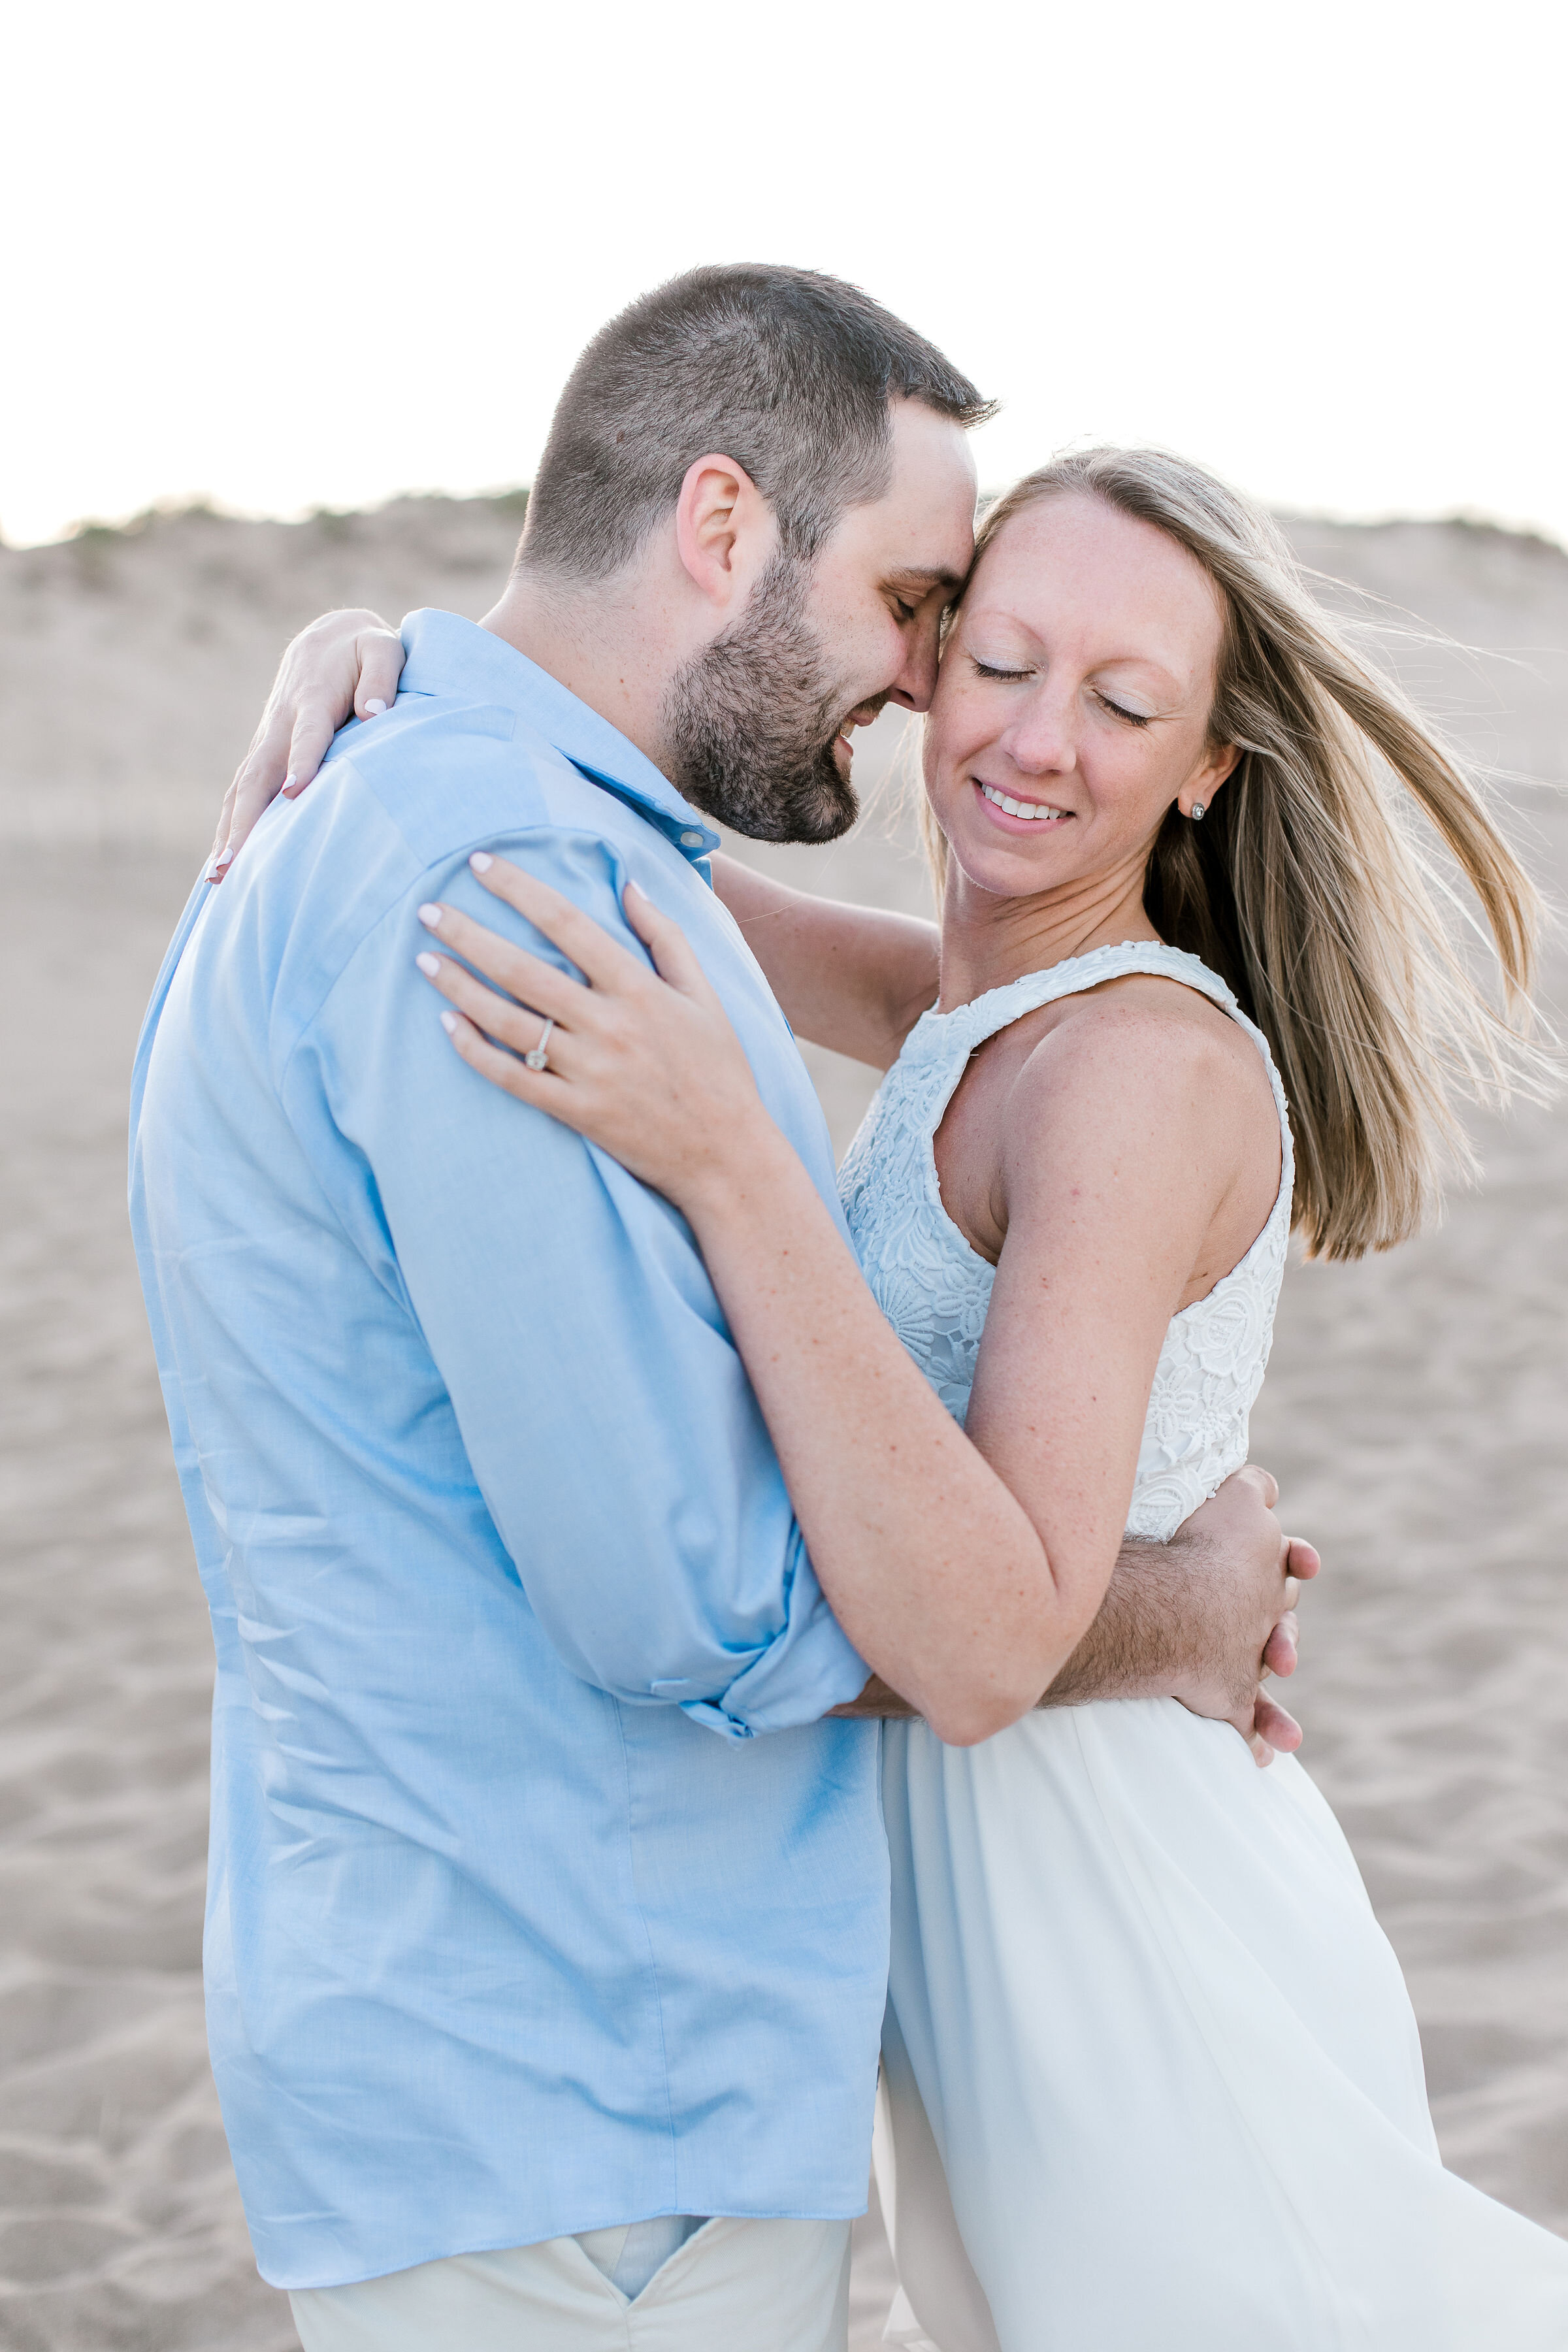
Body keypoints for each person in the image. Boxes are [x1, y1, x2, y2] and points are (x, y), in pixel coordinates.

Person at [276, 446, 1568, 2345]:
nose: (1039, 742)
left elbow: (989, 1627)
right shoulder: (967, 1002)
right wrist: (380, 660)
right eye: (1005, 663)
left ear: (1210, 761)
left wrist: (733, 1158)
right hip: (971, 1932)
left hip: (1119, 1934)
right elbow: (651, 866)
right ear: (927, 666)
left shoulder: (1129, 1069)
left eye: (1125, 704)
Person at [134, 269, 1306, 2352]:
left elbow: (917, 997)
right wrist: (1180, 1610)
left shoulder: (513, 834)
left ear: (1207, 760)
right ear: (721, 528)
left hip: (562, 2050)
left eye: (1107, 698)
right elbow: (704, 1595)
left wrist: (406, 654)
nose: (936, 691)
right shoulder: (512, 894)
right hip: (583, 2091)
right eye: (931, 613)